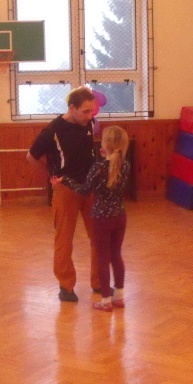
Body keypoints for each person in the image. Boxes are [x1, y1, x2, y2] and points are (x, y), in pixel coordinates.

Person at [26, 86, 100, 302]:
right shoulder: (52, 130)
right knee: (64, 239)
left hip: (90, 188)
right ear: (72, 108)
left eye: (91, 111)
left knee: (99, 236)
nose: (90, 116)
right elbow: (31, 157)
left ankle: (99, 282)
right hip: (66, 189)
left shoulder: (90, 124)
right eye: (85, 111)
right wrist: (51, 175)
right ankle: (66, 286)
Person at [52, 125, 130, 312]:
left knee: (102, 258)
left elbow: (85, 190)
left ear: (105, 146)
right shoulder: (125, 165)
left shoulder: (98, 168)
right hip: (120, 217)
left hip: (102, 219)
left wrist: (65, 181)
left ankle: (105, 300)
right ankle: (119, 297)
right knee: (116, 255)